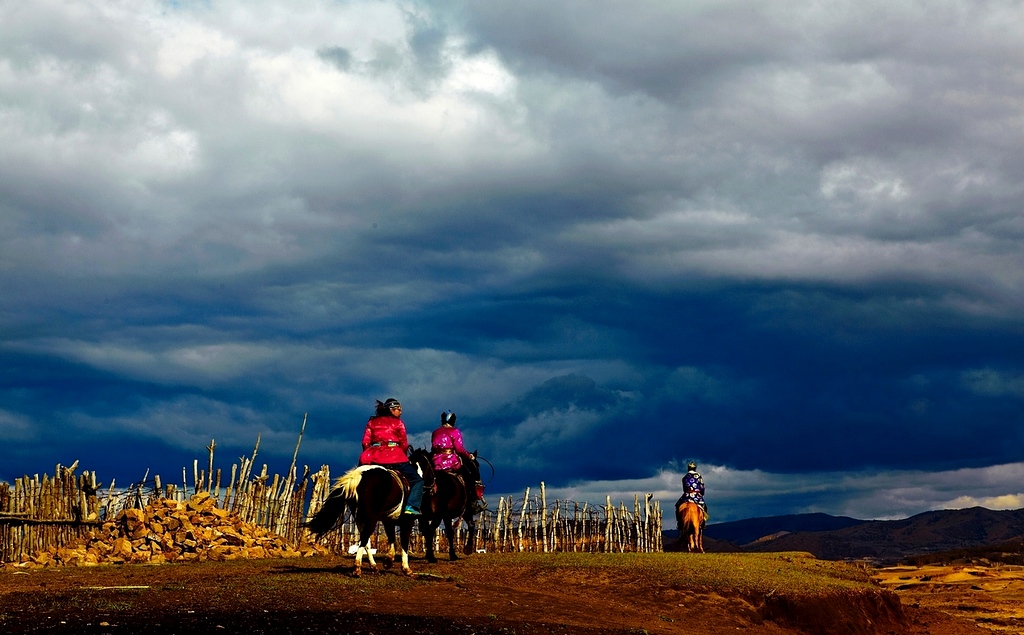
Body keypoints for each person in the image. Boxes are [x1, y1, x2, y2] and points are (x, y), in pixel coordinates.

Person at [358, 397, 423, 516]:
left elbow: (365, 443)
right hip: (395, 457)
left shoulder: (371, 422)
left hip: (372, 457)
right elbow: (404, 443)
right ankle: (411, 506)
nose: (401, 412)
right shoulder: (398, 423)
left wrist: (369, 454)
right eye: (399, 409)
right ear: (392, 410)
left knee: (356, 479)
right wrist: (401, 455)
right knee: (417, 480)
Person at [430, 410, 485, 512]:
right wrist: (470, 456)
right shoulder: (455, 431)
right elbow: (459, 449)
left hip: (435, 462)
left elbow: (433, 448)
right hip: (451, 461)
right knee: (469, 476)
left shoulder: (435, 432)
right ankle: (473, 501)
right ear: (453, 421)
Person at [679, 461, 707, 529]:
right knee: (704, 507)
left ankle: (679, 523)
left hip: (686, 496)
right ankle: (703, 523)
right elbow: (702, 487)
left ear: (688, 468)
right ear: (695, 468)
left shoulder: (685, 477)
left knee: (677, 506)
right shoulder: (698, 476)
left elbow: (684, 489)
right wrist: (701, 493)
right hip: (697, 496)